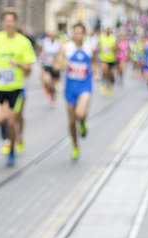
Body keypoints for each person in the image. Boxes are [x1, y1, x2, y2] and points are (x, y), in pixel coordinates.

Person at [0, 9, 36, 167]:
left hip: (15, 87)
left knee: (11, 122)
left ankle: (11, 150)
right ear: (3, 23)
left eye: (11, 21)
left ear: (16, 23)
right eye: (6, 20)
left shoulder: (23, 42)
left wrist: (18, 64)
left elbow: (29, 68)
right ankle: (4, 129)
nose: (8, 23)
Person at [55, 22, 96, 161]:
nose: (78, 36)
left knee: (80, 113)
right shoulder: (66, 48)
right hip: (70, 89)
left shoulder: (89, 48)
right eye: (76, 33)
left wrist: (95, 73)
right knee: (72, 122)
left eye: (80, 33)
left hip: (85, 86)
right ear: (73, 34)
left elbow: (94, 62)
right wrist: (62, 65)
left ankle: (83, 123)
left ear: (84, 34)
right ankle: (75, 145)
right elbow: (56, 65)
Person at [39, 29, 61, 106]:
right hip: (47, 65)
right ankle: (47, 90)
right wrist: (41, 63)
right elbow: (41, 52)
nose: (52, 36)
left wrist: (59, 63)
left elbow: (61, 54)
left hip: (55, 67)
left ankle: (53, 97)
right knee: (48, 81)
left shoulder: (58, 43)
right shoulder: (45, 42)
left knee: (54, 86)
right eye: (50, 34)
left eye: (53, 34)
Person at [99, 27, 117, 96]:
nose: (108, 30)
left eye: (109, 29)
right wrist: (101, 49)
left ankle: (110, 85)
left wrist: (112, 49)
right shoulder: (102, 37)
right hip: (104, 58)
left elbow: (117, 47)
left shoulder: (113, 37)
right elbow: (99, 46)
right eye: (107, 29)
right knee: (105, 71)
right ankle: (104, 84)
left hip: (112, 59)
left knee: (111, 74)